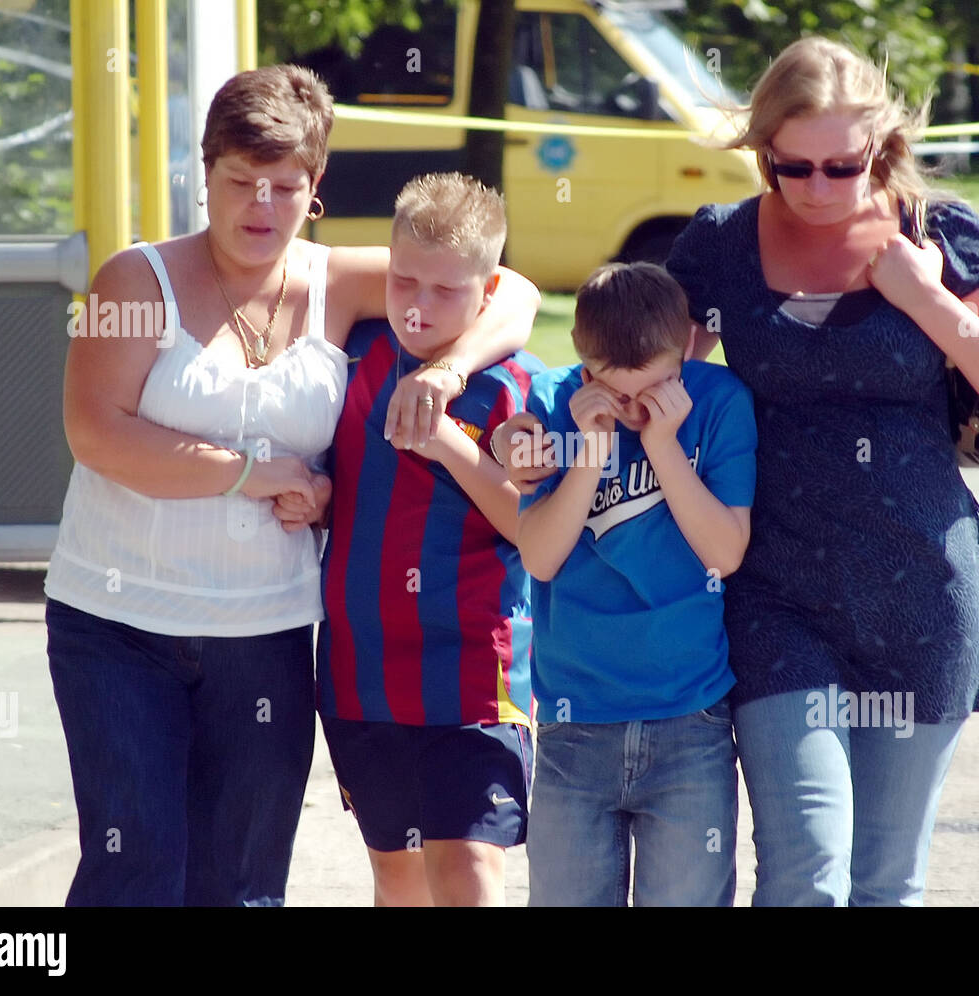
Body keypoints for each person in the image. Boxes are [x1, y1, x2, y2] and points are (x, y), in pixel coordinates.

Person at [499, 37, 979, 906]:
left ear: (882, 149)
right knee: (806, 875)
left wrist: (928, 302)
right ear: (761, 150)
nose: (813, 189)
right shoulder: (723, 245)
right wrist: (527, 432)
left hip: (920, 593)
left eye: (841, 168)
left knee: (885, 885)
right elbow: (629, 359)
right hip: (775, 598)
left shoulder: (939, 233)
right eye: (788, 166)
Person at [43, 67, 538, 906]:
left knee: (243, 883)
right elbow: (95, 433)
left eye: (285, 186)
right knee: (139, 865)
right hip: (117, 624)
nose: (261, 206)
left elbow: (509, 289)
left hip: (266, 632)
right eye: (240, 181)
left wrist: (450, 371)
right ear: (205, 175)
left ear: (315, 189)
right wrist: (251, 473)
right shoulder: (131, 281)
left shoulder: (336, 279)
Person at [314, 172, 543, 907]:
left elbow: (532, 530)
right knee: (400, 875)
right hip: (362, 672)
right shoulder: (352, 362)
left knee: (470, 867)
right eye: (403, 279)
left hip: (477, 671)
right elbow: (332, 484)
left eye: (445, 291)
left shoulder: (517, 387)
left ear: (489, 288)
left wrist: (447, 442)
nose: (418, 305)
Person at [515, 262, 756, 906]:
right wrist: (589, 454)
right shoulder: (551, 402)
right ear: (586, 368)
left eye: (659, 385)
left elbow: (725, 552)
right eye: (620, 394)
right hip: (574, 718)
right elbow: (539, 558)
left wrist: (664, 446)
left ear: (683, 348)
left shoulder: (719, 402)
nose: (638, 406)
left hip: (689, 716)